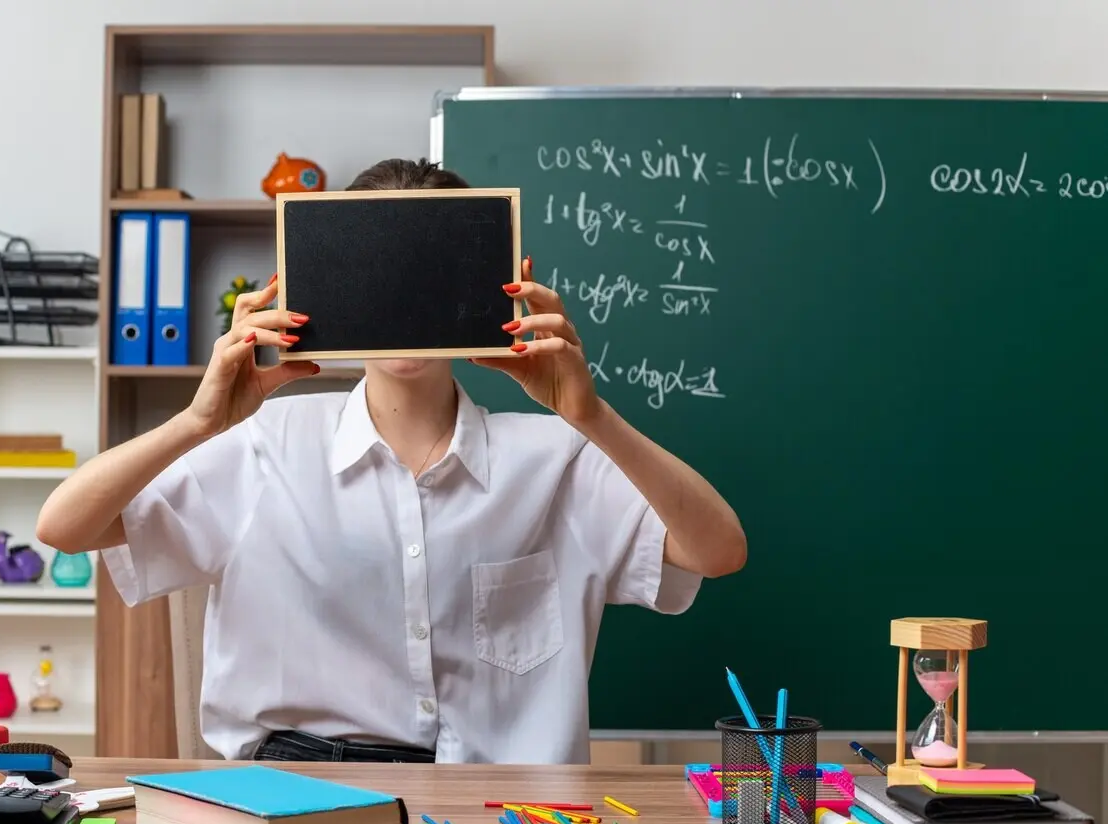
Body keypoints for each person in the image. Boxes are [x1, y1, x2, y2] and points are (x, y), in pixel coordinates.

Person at [36, 157, 746, 765]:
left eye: (430, 279)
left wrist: (588, 413)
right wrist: (196, 422)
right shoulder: (264, 444)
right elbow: (65, 528)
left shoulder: (553, 459)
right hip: (298, 796)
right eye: (378, 275)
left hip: (502, 822)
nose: (405, 303)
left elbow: (718, 550)